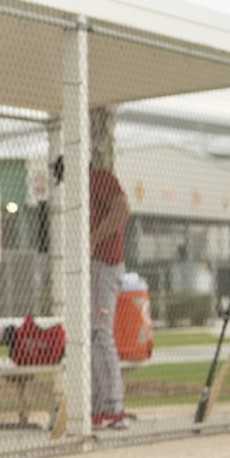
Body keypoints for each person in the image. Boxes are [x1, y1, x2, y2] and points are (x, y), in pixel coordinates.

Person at [90, 165, 132, 430]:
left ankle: (114, 407)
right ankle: (98, 406)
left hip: (104, 265)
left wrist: (93, 238)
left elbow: (123, 208)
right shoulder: (79, 184)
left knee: (100, 334)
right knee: (90, 337)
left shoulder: (99, 176)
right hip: (92, 266)